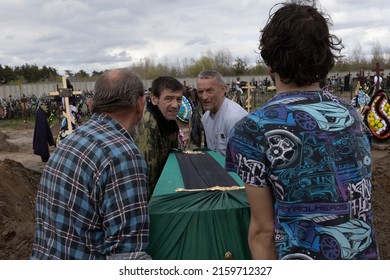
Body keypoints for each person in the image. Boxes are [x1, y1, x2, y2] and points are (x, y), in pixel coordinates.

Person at [225, 1, 379, 260]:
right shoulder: (352, 115)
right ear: (324, 55)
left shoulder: (252, 130)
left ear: (270, 55)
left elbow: (263, 232)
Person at [31, 68, 151, 260]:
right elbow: (128, 256)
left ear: (96, 102)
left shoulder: (73, 139)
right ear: (140, 103)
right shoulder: (122, 156)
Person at [136, 76, 184, 200]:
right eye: (168, 99)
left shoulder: (169, 121)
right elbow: (148, 177)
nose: (175, 105)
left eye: (179, 99)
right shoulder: (148, 125)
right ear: (154, 99)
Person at [197, 70, 247, 156]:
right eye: (200, 92)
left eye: (209, 91)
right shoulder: (206, 118)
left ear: (223, 90)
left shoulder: (235, 118)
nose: (204, 97)